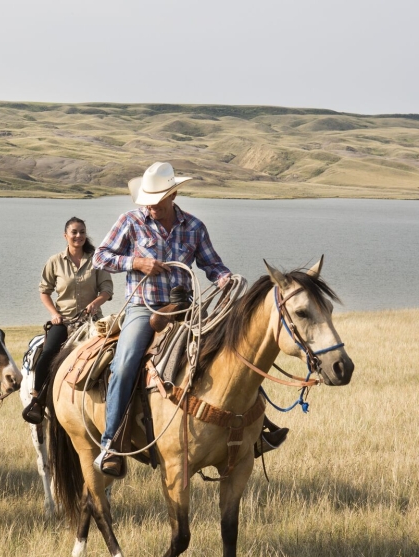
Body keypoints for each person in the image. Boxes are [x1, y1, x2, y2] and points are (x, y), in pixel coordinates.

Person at [91, 162, 286, 477]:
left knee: (234, 352)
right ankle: (111, 443)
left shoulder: (194, 226)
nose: (151, 205)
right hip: (144, 307)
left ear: (174, 194)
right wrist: (136, 262)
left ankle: (257, 429)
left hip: (187, 309)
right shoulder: (130, 222)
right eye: (147, 200)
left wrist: (226, 280)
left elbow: (212, 264)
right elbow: (100, 256)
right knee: (125, 363)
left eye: (157, 198)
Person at [21, 217, 113, 424]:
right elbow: (44, 291)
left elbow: (107, 289)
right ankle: (38, 400)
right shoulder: (54, 261)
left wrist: (96, 303)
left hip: (92, 321)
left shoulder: (97, 260)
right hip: (64, 321)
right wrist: (54, 314)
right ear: (66, 236)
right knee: (47, 353)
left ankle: (113, 398)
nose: (78, 236)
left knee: (113, 352)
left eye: (82, 232)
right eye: (74, 232)